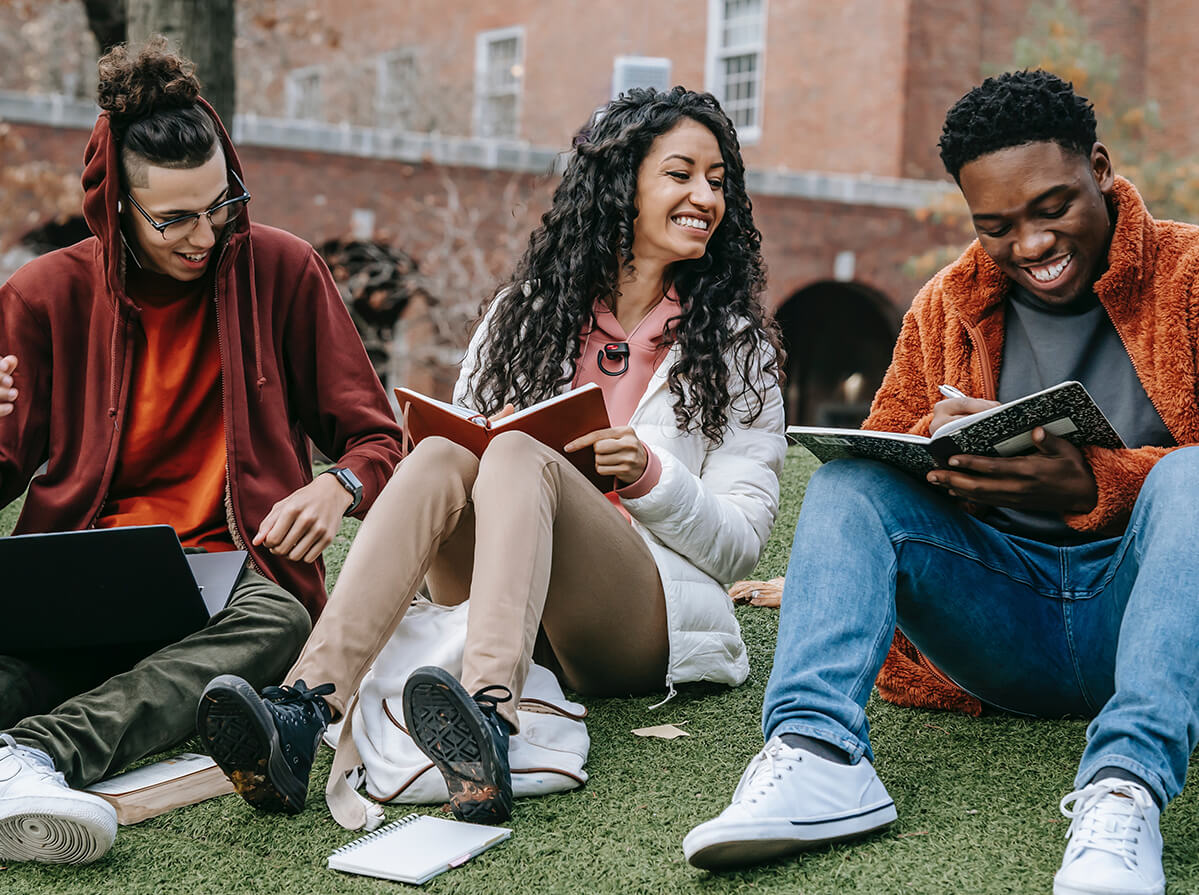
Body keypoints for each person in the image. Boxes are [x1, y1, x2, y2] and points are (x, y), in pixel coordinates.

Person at [196, 86, 787, 831]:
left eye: (717, 180)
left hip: (631, 617)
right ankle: (304, 707)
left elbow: (738, 544)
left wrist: (647, 474)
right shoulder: (524, 314)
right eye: (680, 174)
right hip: (496, 594)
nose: (704, 195)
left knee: (516, 453)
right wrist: (488, 436)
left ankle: (488, 720)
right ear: (620, 185)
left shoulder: (734, 346)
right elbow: (464, 457)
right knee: (448, 449)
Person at [685, 70, 1199, 895]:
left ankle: (1123, 787)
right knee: (850, 482)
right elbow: (888, 455)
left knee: (1196, 477)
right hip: (998, 623)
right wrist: (949, 454)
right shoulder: (944, 305)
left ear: (1099, 167)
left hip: (1150, 625)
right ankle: (817, 756)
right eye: (994, 224)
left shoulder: (1190, 275)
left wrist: (1090, 485)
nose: (1029, 245)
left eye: (1051, 208)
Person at [0, 39, 402, 864]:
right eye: (173, 218)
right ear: (115, 205)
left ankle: (35, 753)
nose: (206, 233)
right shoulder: (41, 297)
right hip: (78, 574)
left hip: (233, 580)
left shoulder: (284, 271)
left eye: (220, 204)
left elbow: (377, 436)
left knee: (280, 621)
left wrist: (338, 489)